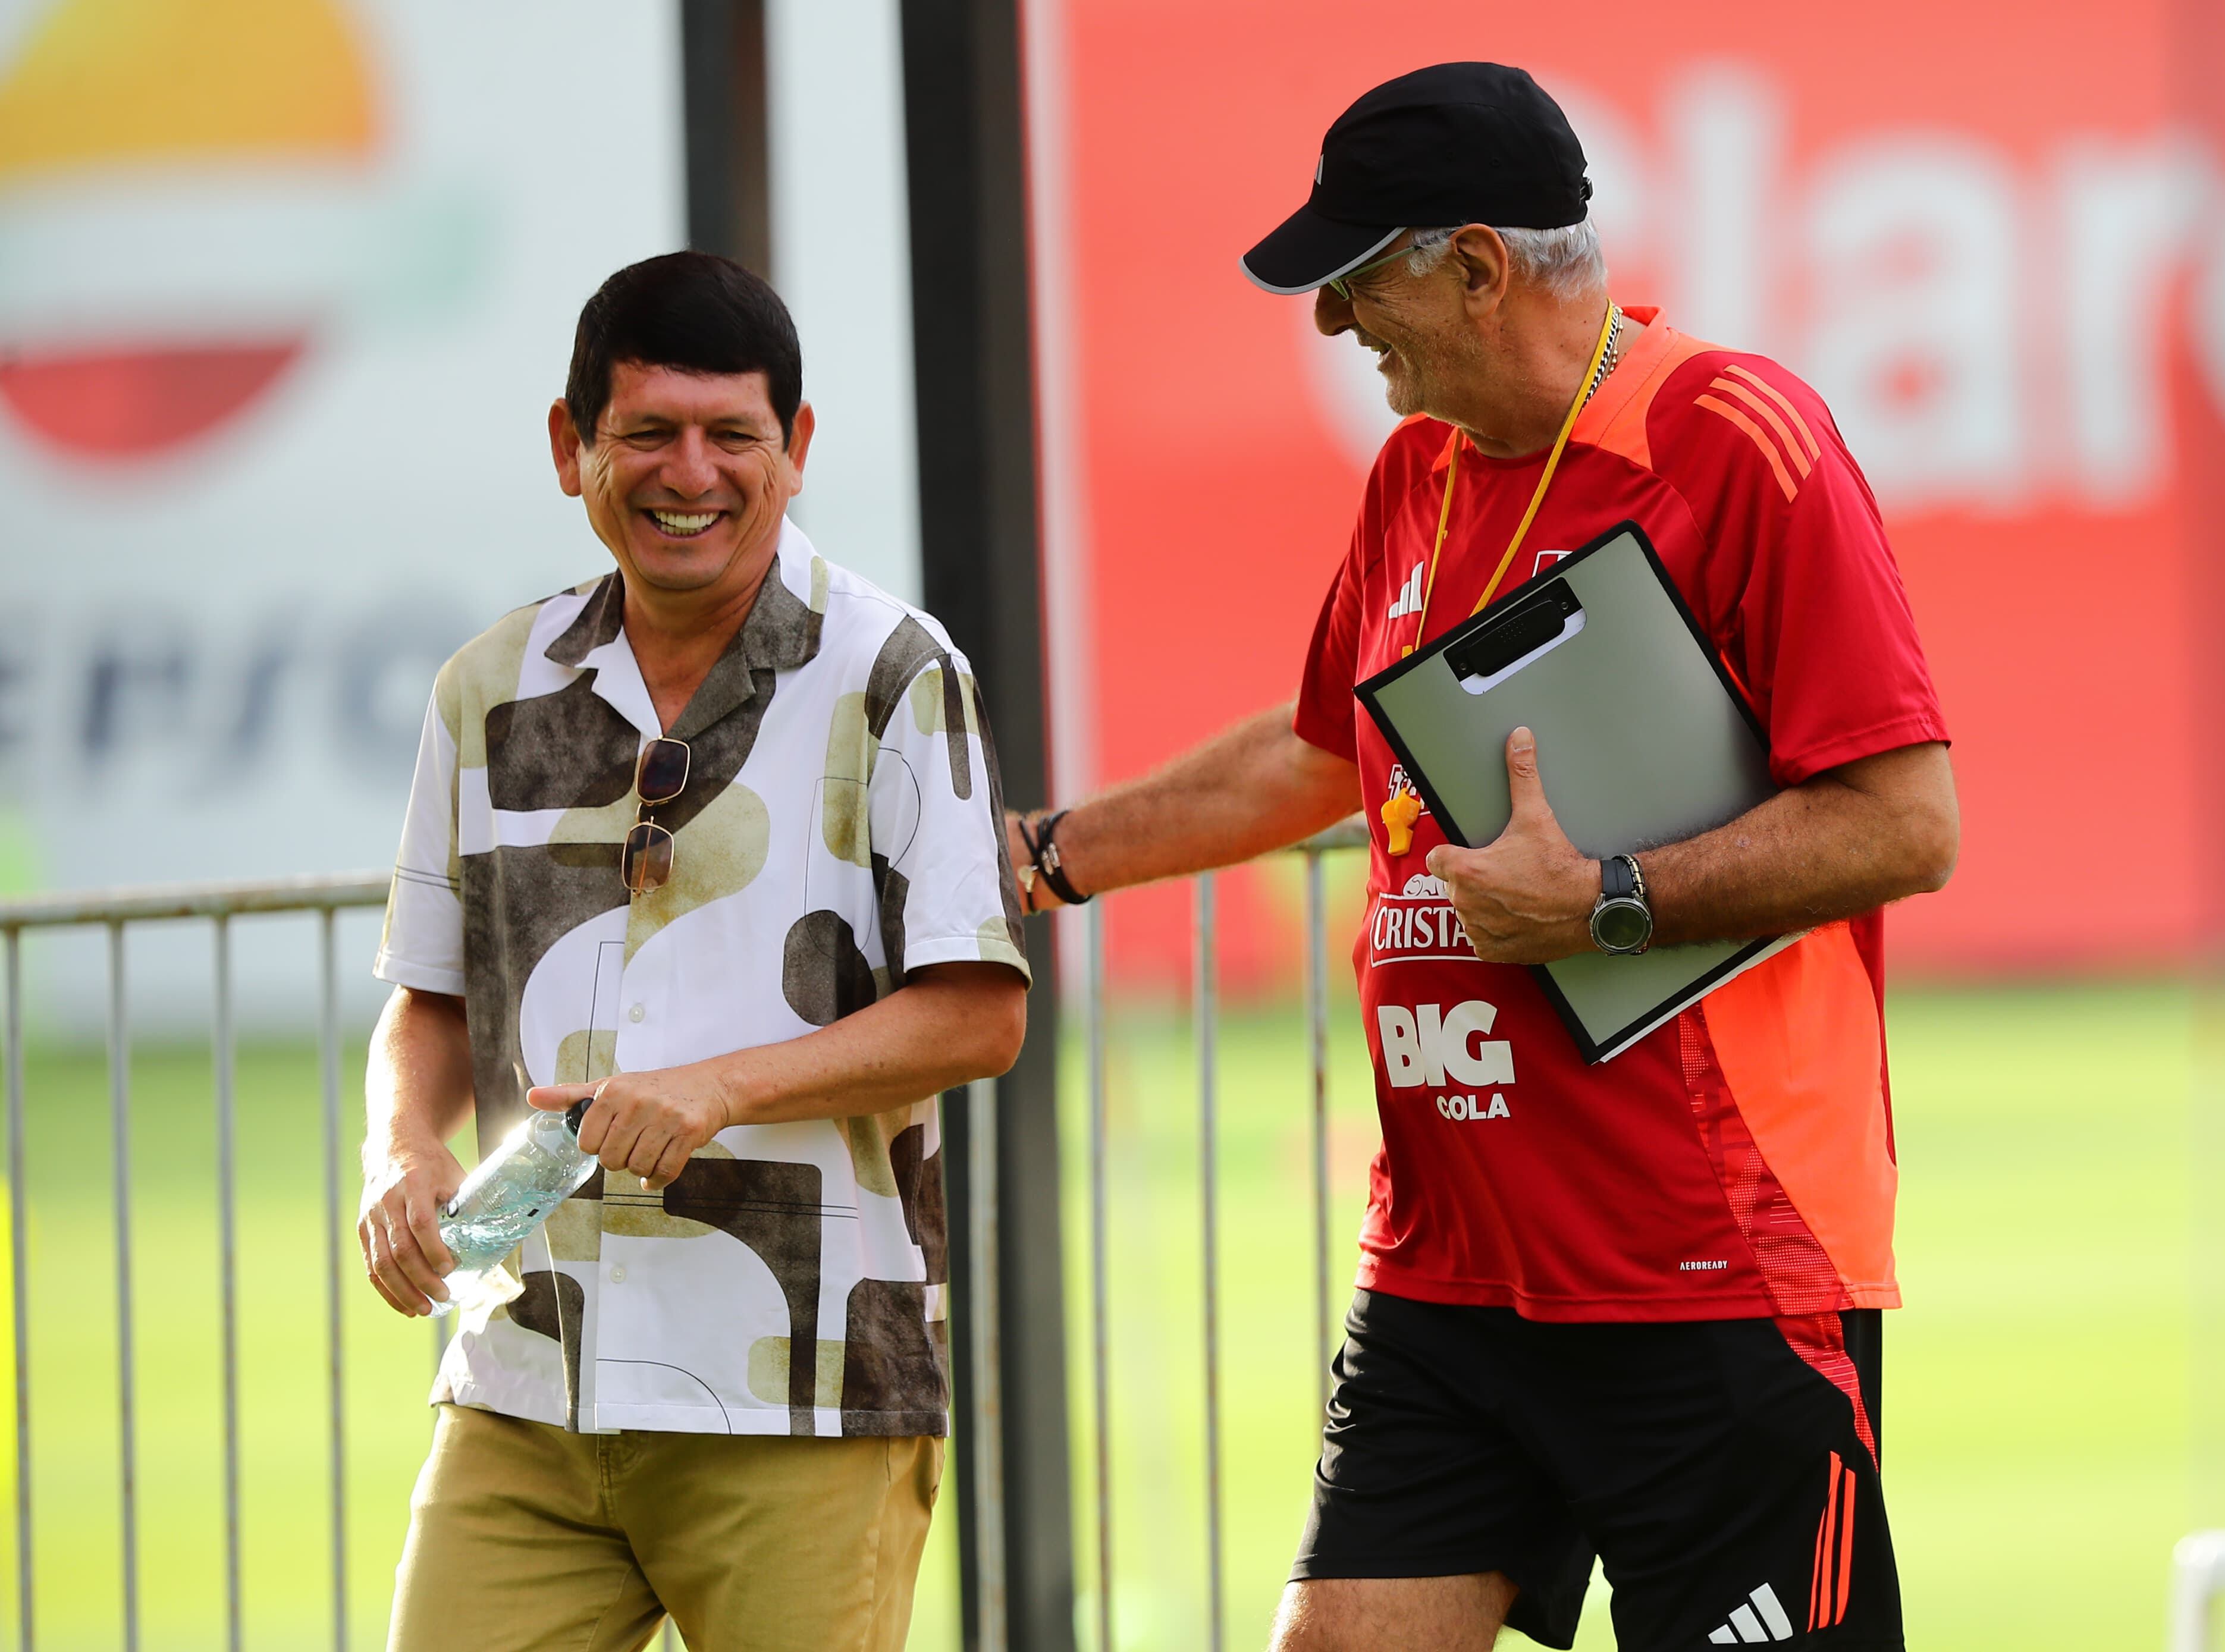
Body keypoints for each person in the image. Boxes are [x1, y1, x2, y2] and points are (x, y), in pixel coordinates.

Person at [1009, 63, 1958, 1652]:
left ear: (1476, 265)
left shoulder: (1738, 441)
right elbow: (1322, 749)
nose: (1332, 327)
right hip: (1451, 1276)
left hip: (1709, 1273)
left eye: (1356, 280)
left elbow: (1907, 821)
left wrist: (1601, 902)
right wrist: (1046, 858)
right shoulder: (1416, 473)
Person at [360, 250, 1030, 1652]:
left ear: (795, 451)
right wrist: (403, 1153)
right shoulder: (485, 688)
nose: (692, 473)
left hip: (804, 1391)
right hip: (527, 1379)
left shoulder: (897, 672)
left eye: (733, 435)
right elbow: (425, 998)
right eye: (647, 431)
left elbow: (977, 1016)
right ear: (571, 449)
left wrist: (718, 1087)